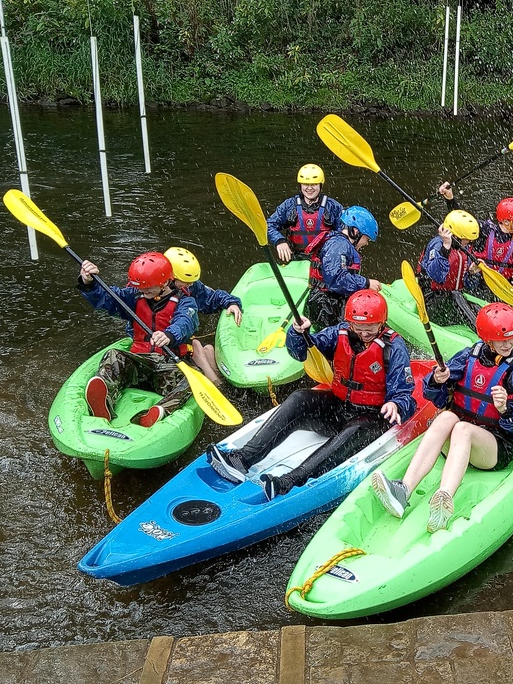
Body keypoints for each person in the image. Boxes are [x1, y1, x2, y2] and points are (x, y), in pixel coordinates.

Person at [208, 290, 418, 501]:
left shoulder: (393, 347)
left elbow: (405, 394)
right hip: (339, 408)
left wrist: (396, 404)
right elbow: (300, 352)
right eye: (359, 328)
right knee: (300, 397)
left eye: (369, 329)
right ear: (350, 322)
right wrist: (298, 333)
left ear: (381, 323)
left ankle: (289, 481)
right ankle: (241, 460)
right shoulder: (339, 333)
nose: (363, 334)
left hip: (372, 417)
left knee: (356, 428)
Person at [369, 303, 513, 533]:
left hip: (494, 447)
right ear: (487, 339)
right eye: (502, 340)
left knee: (462, 429)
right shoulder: (469, 356)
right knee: (445, 418)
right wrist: (438, 379)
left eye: (512, 338)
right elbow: (437, 397)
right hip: (458, 440)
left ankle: (444, 500)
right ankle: (403, 490)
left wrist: (505, 408)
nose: (508, 344)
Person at [79, 252, 200, 427]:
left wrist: (169, 334)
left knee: (194, 378)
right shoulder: (134, 296)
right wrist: (89, 283)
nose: (143, 292)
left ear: (165, 282)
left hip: (167, 366)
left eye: (148, 289)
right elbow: (107, 299)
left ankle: (161, 410)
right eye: (141, 289)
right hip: (139, 364)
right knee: (114, 355)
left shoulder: (185, 302)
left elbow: (186, 322)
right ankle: (104, 403)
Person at [437, 185, 513, 312]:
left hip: (506, 288)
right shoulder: (484, 231)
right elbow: (461, 223)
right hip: (479, 289)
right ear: (506, 222)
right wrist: (450, 199)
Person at [164, 246, 242, 386]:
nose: (190, 285)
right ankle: (218, 385)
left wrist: (231, 303)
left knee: (209, 349)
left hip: (182, 340)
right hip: (164, 346)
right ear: (170, 277)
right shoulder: (151, 292)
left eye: (191, 282)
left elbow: (212, 298)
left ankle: (223, 386)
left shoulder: (190, 287)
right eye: (185, 282)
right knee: (199, 347)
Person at [305, 205, 383, 327]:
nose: (366, 243)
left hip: (330, 301)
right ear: (356, 232)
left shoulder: (342, 244)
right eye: (366, 238)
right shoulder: (338, 246)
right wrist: (366, 283)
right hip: (324, 305)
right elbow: (336, 279)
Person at [266, 163, 344, 264]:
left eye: (314, 184)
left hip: (325, 260)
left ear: (320, 185)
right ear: (300, 185)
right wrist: (279, 241)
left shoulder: (333, 207)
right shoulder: (289, 205)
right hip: (296, 259)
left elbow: (344, 232)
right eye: (306, 184)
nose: (309, 188)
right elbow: (269, 225)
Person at [417, 210, 483, 327]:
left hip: (451, 299)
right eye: (466, 238)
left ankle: (486, 325)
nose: (469, 241)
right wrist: (445, 248)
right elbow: (436, 275)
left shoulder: (463, 248)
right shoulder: (437, 245)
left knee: (476, 308)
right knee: (455, 295)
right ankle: (481, 331)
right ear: (455, 236)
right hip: (432, 300)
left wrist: (472, 273)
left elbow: (468, 285)